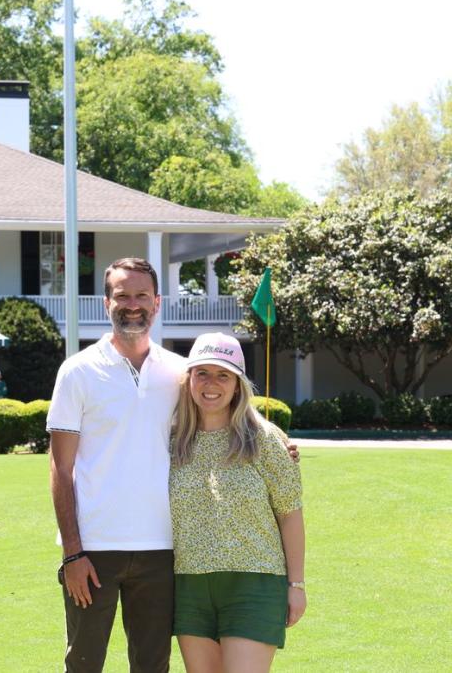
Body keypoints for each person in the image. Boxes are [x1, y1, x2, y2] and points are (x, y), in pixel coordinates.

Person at [46, 257, 299, 673]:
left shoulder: (181, 373)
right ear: (106, 302)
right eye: (122, 295)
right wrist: (73, 553)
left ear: (157, 302)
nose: (132, 304)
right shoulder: (77, 373)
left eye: (142, 295)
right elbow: (61, 468)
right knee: (84, 664)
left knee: (152, 666)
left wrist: (279, 445)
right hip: (94, 551)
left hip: (163, 552)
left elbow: (226, 412)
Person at [171, 332, 305, 672]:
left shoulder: (265, 439)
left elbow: (290, 513)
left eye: (223, 375)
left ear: (237, 384)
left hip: (254, 583)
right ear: (189, 380)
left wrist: (297, 584)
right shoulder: (171, 441)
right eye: (202, 373)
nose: (211, 384)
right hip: (190, 584)